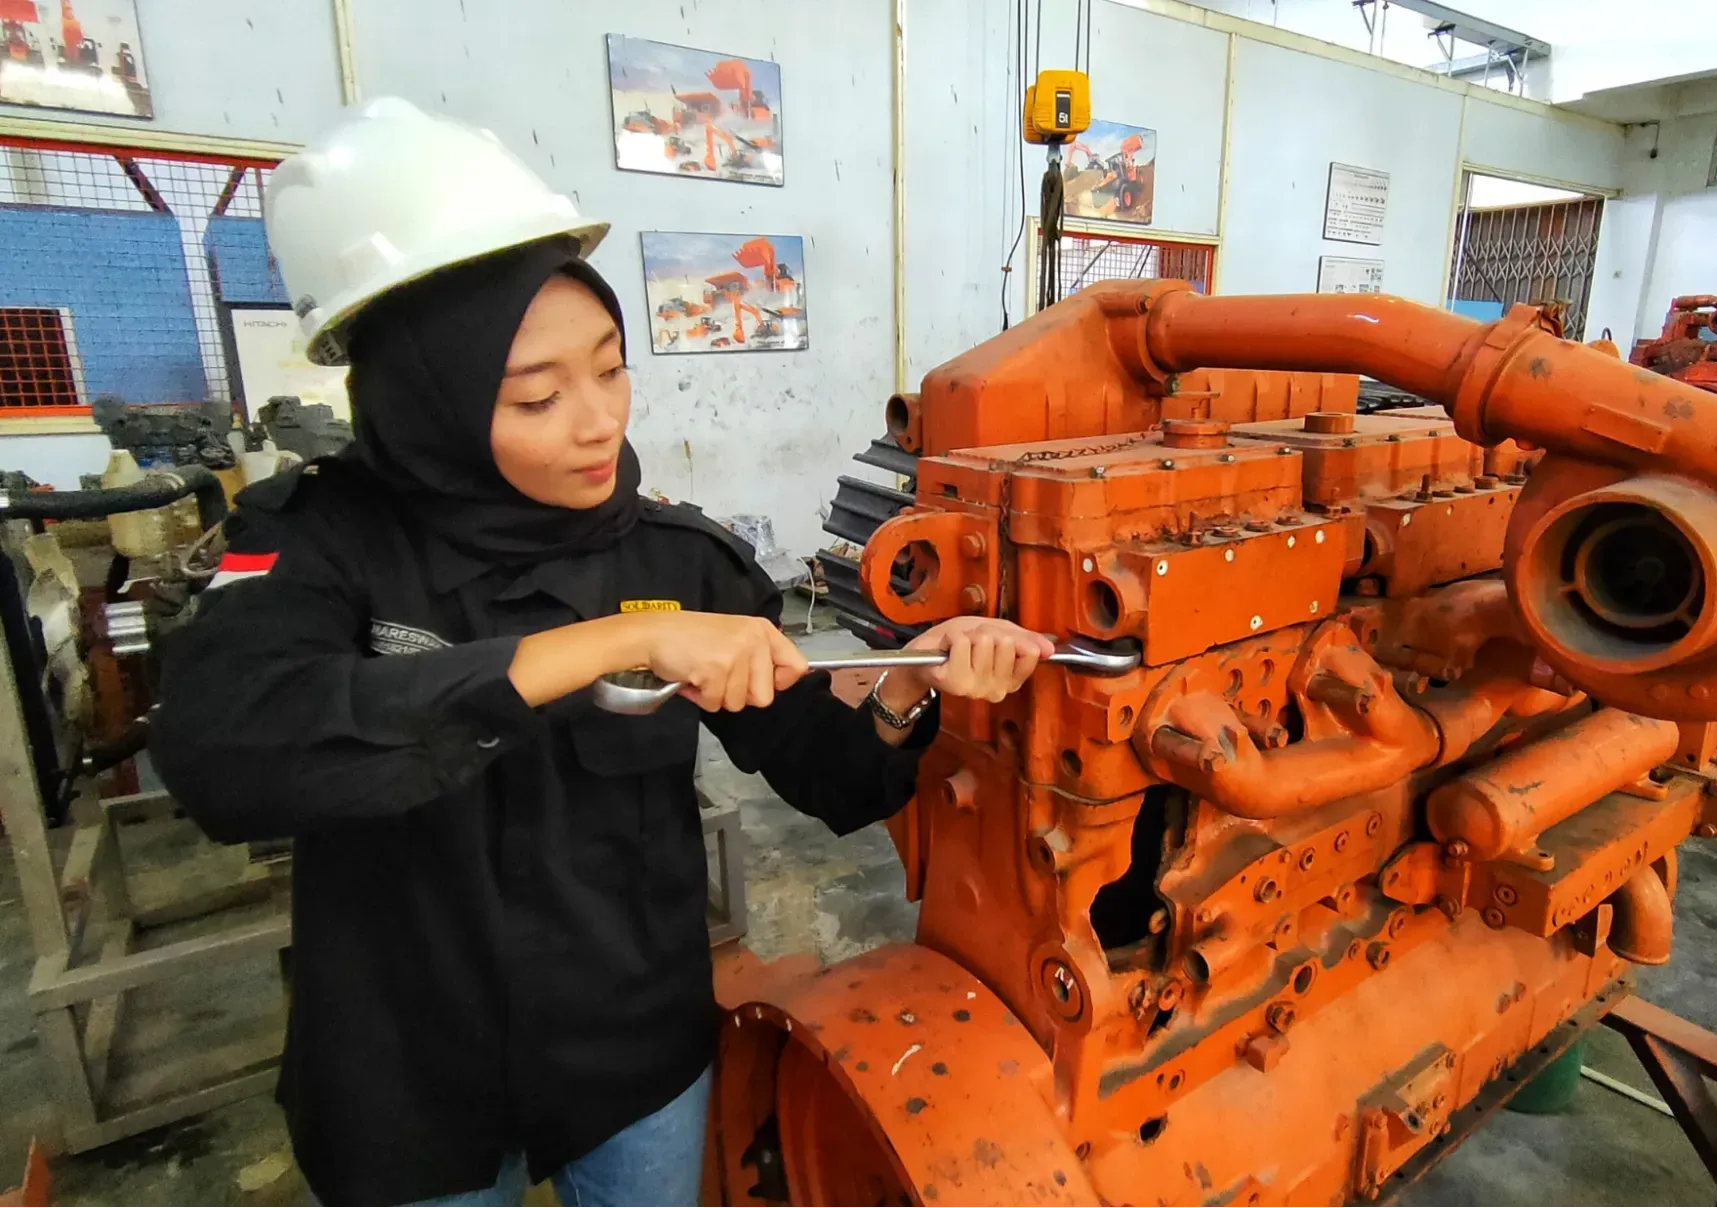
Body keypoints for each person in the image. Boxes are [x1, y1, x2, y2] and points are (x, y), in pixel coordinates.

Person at [152, 99, 1052, 1208]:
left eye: (611, 369)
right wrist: (612, 641)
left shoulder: (678, 555)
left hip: (631, 1060)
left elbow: (828, 775)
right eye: (537, 394)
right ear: (419, 393)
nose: (597, 424)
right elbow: (224, 748)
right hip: (406, 1079)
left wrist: (913, 687)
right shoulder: (308, 541)